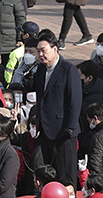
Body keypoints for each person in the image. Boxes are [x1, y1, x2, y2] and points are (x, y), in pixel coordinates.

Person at [34, 32, 82, 188]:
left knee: (65, 173)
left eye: (44, 50)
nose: (41, 54)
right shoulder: (40, 70)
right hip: (45, 128)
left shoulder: (68, 69)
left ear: (55, 49)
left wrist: (70, 126)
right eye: (38, 51)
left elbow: (74, 101)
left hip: (63, 130)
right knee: (50, 172)